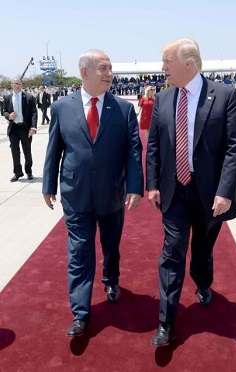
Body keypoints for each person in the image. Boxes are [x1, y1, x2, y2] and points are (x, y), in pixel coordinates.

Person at [146, 38, 236, 347]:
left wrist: (226, 191)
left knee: (203, 249)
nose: (162, 67)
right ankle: (166, 321)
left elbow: (235, 148)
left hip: (210, 194)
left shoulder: (225, 95)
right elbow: (154, 145)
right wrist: (152, 184)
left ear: (188, 64)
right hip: (175, 191)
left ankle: (203, 281)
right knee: (173, 249)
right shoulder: (164, 99)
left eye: (167, 62)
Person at [42, 49, 144, 337]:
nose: (109, 73)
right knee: (79, 252)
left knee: (111, 246)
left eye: (110, 67)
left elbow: (133, 152)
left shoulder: (123, 109)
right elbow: (54, 151)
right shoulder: (62, 107)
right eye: (103, 68)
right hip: (76, 194)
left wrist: (135, 187)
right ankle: (81, 314)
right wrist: (48, 185)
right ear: (84, 72)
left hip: (112, 194)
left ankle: (111, 279)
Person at [3, 78, 37, 182]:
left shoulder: (28, 97)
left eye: (19, 83)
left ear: (21, 84)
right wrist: (9, 116)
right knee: (14, 150)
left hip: (25, 128)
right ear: (11, 85)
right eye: (15, 83)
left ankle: (29, 171)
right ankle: (17, 172)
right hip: (13, 128)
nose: (17, 85)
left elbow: (34, 112)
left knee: (27, 150)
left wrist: (33, 127)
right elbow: (4, 112)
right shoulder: (8, 98)